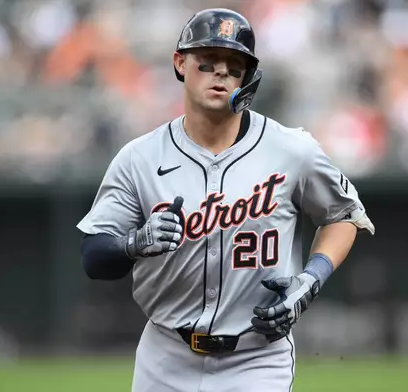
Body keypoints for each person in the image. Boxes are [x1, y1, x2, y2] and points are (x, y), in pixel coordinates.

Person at [77, 8, 375, 392]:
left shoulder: (291, 150)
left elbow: (344, 214)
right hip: (165, 354)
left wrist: (312, 277)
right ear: (180, 63)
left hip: (258, 358)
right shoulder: (140, 158)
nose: (221, 71)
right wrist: (133, 243)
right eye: (208, 60)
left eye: (234, 64)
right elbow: (93, 255)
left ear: (247, 77)